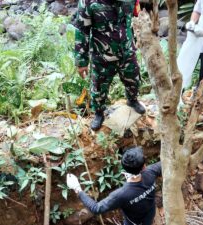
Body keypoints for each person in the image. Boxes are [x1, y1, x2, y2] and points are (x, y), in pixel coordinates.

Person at [73, 0, 146, 131]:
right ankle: (99, 113)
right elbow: (82, 30)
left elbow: (137, 15)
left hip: (127, 52)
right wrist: (81, 62)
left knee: (134, 81)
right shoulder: (88, 2)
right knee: (99, 90)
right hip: (102, 56)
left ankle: (132, 100)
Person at [66, 147, 161, 225]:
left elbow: (96, 208)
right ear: (144, 166)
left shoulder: (121, 195)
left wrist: (77, 188)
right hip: (149, 215)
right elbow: (164, 164)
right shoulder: (151, 172)